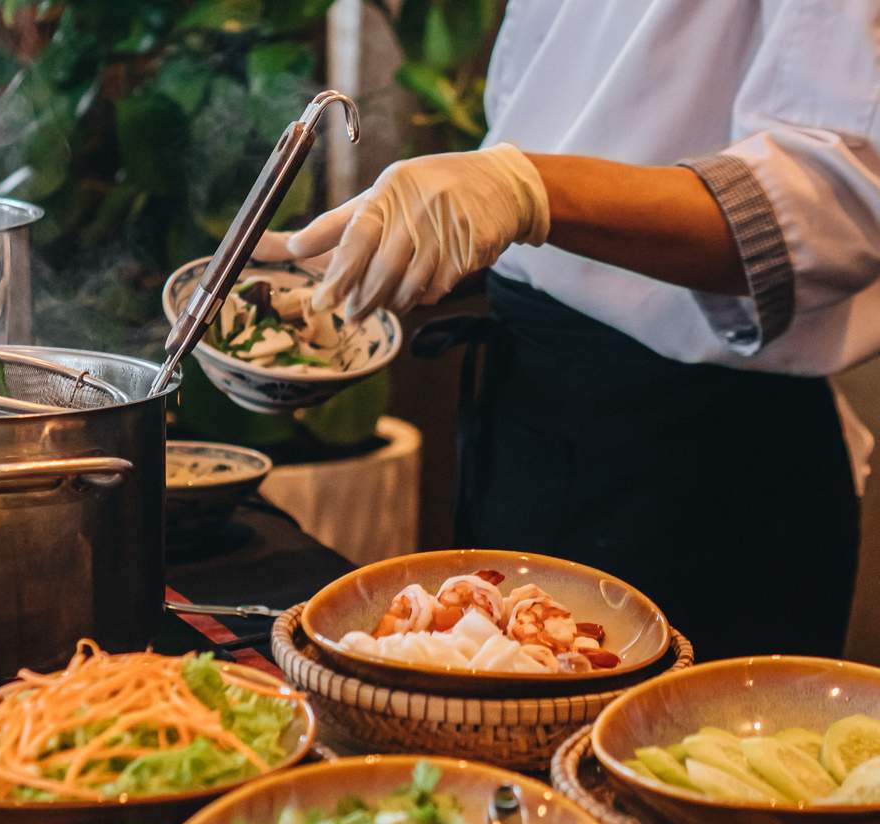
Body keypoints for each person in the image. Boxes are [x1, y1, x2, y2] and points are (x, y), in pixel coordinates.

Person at [256, 0, 880, 660]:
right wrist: (391, 255)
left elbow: (832, 199)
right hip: (534, 417)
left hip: (702, 476)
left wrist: (528, 190)